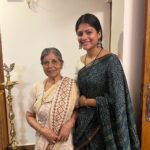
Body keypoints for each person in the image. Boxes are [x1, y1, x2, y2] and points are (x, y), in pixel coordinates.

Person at [73, 13, 140, 150]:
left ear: (99, 34)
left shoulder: (111, 61)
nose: (84, 37)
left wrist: (86, 102)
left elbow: (117, 100)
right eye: (80, 34)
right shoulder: (79, 63)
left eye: (89, 32)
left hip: (106, 126)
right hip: (83, 124)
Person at [26, 47, 78, 150]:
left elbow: (78, 109)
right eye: (46, 63)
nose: (50, 66)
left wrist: (69, 124)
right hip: (42, 141)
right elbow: (29, 115)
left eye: (54, 61)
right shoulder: (36, 87)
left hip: (65, 141)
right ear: (42, 66)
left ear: (61, 64)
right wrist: (43, 130)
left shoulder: (72, 86)